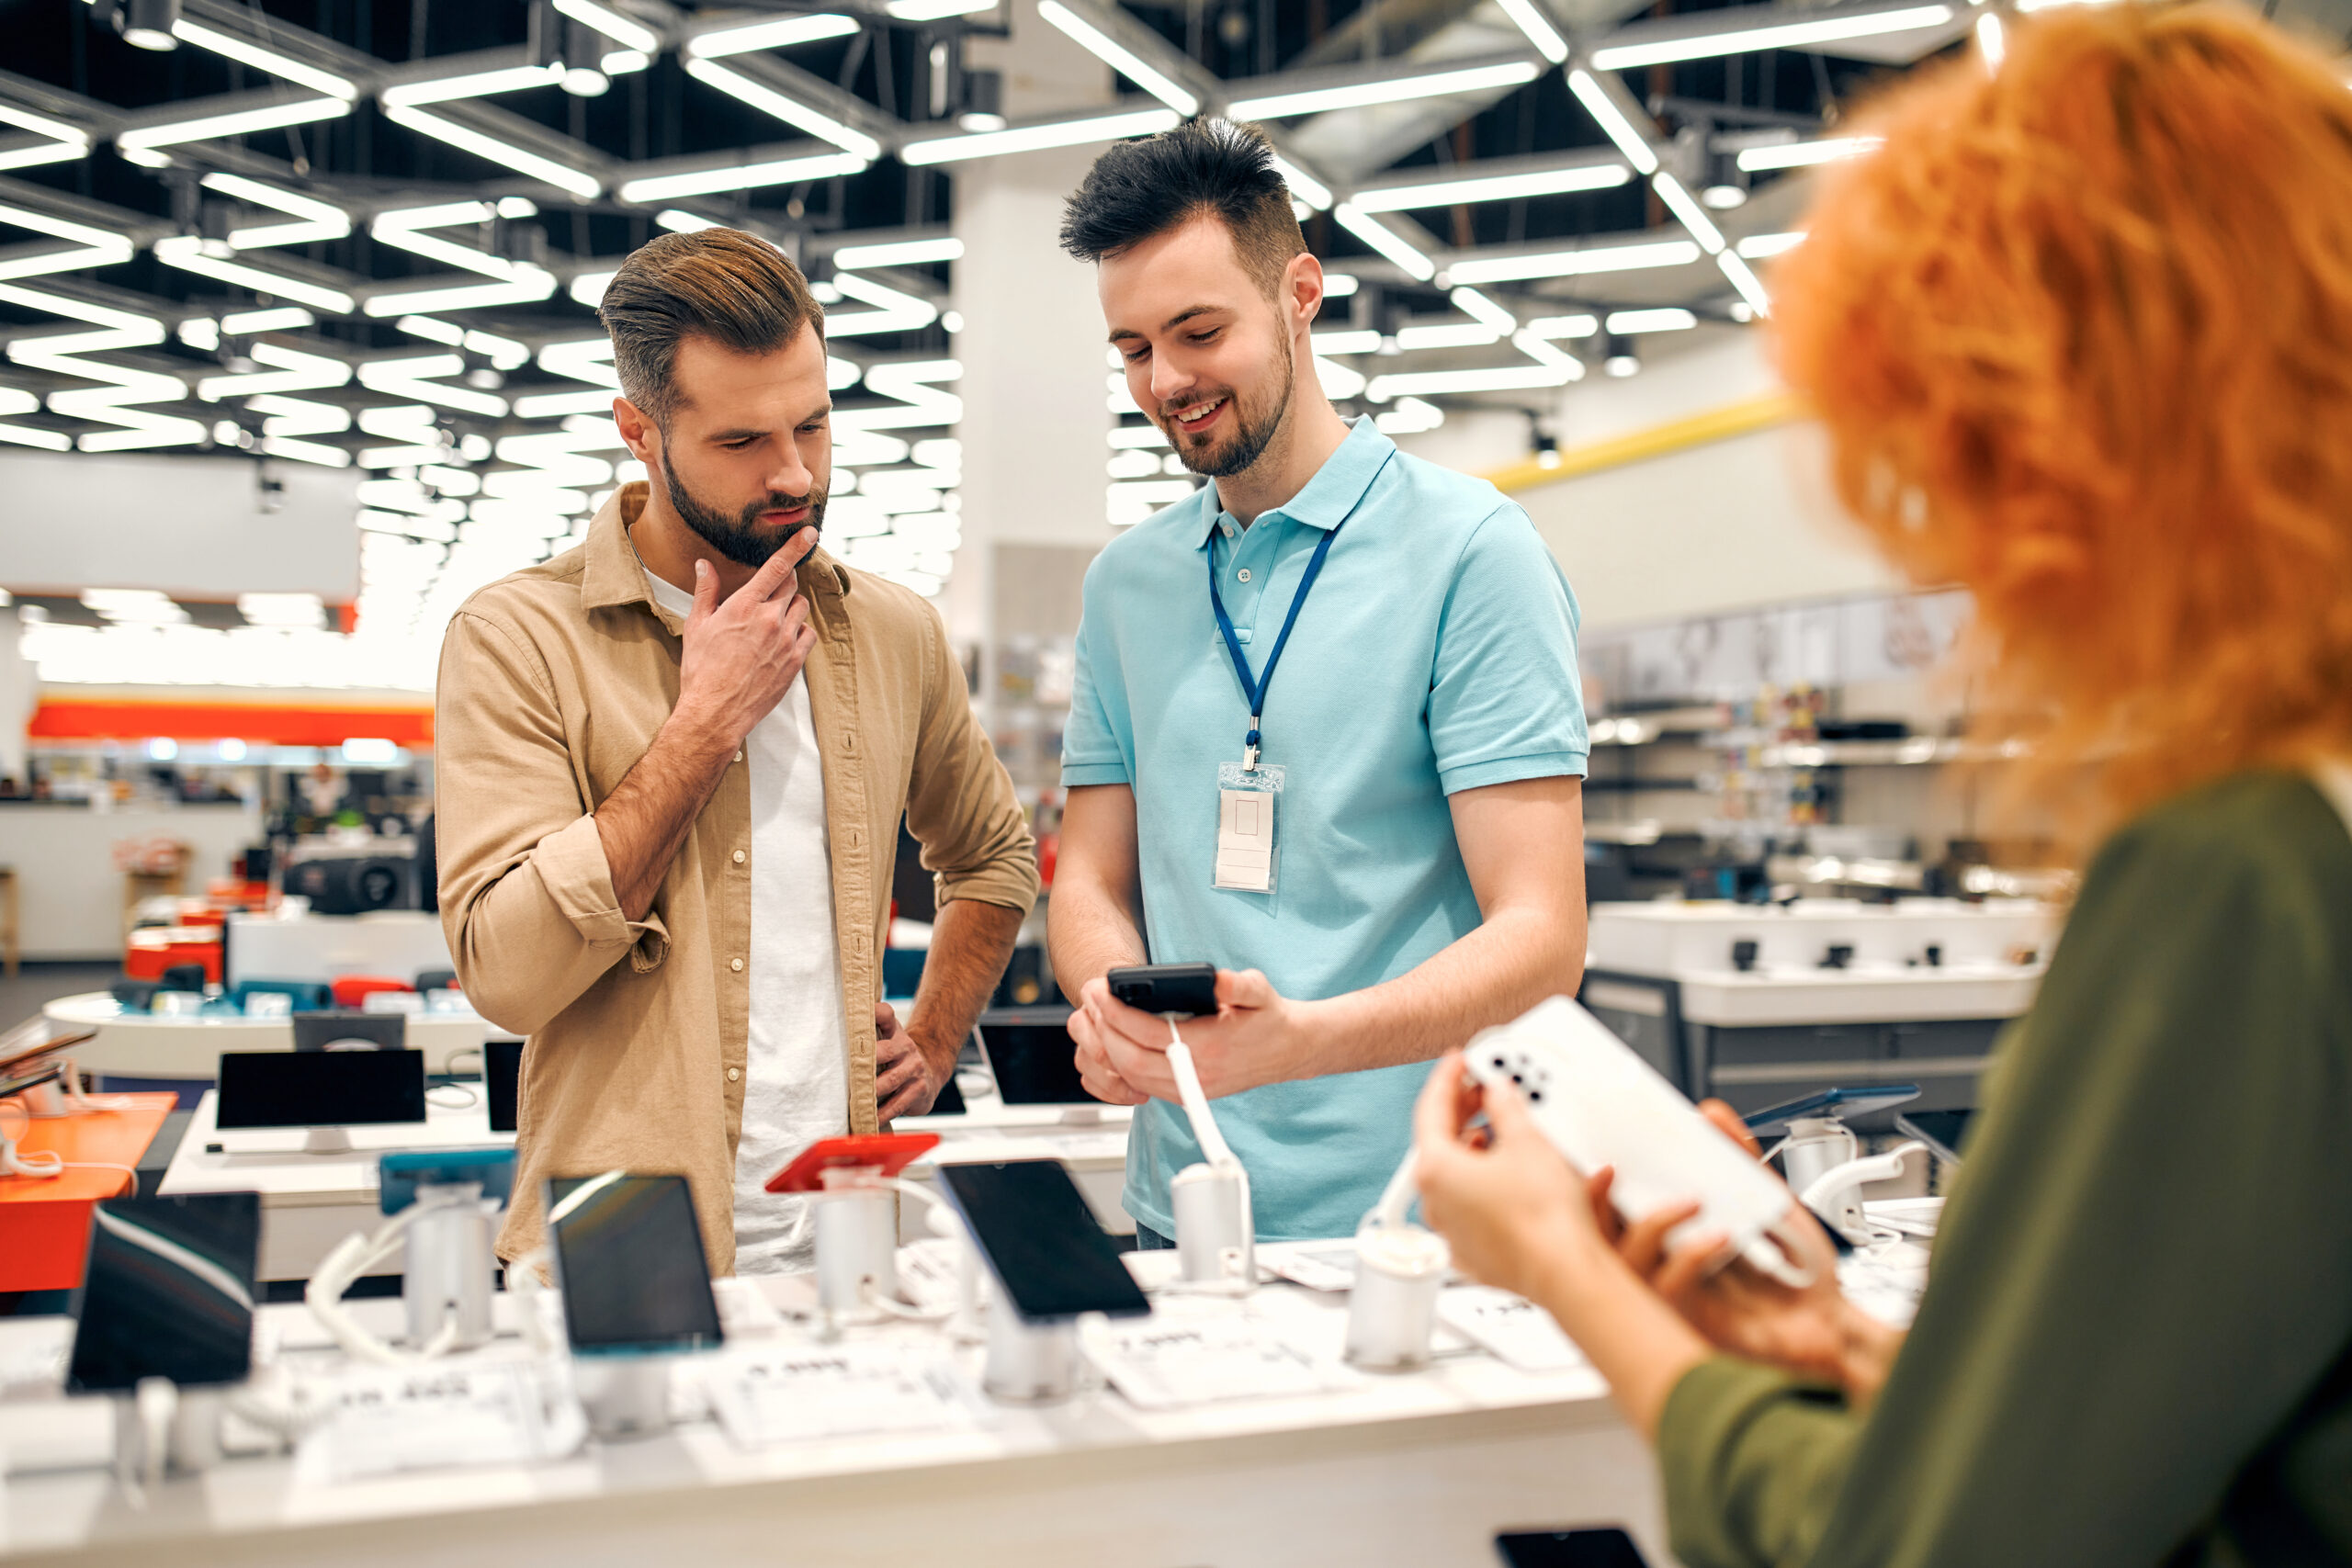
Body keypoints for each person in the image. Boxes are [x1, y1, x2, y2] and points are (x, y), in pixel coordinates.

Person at [1411, 8, 2352, 1563]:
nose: (1946, 554)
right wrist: (1854, 1347)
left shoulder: (2248, 875)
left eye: (1967, 468)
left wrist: (1567, 1268)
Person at [436, 230, 1038, 1276]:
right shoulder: (517, 636)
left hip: (852, 1228)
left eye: (812, 424)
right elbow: (507, 972)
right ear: (640, 430)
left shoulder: (894, 633)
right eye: (741, 442)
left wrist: (937, 1038)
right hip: (618, 1231)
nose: (794, 472)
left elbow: (995, 856)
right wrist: (702, 727)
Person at [1048, 118, 1591, 1247]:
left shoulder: (1470, 551)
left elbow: (1543, 935)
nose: (1168, 381)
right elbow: (1092, 877)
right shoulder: (1125, 586)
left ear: (1300, 292)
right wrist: (1109, 1002)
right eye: (1135, 349)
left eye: (1200, 332)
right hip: (1183, 1205)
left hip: (1428, 1213)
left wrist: (1304, 1040)